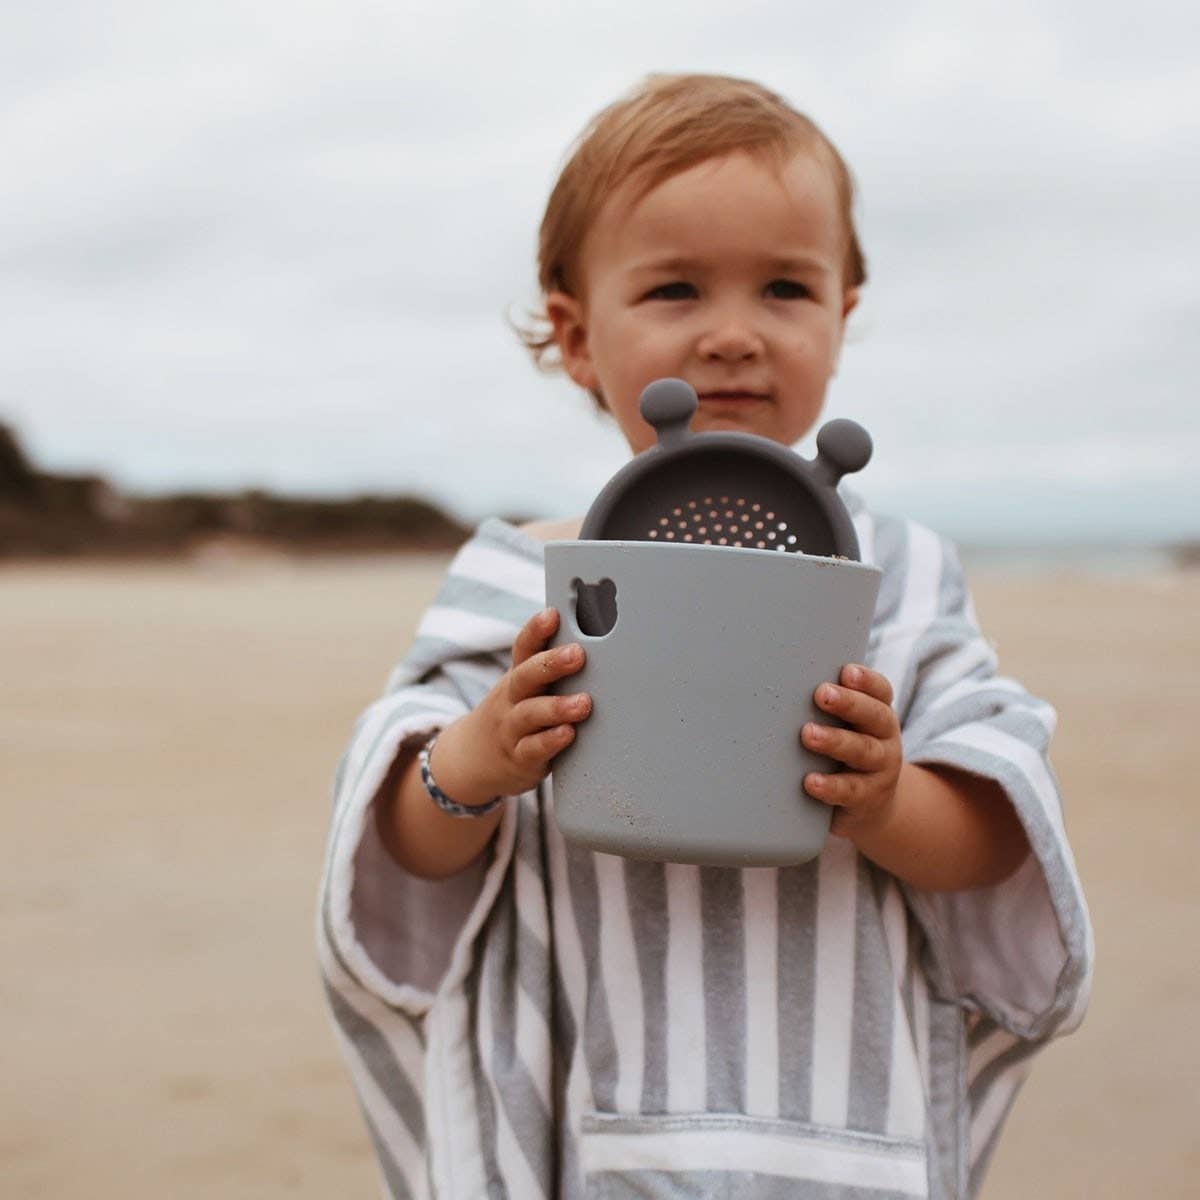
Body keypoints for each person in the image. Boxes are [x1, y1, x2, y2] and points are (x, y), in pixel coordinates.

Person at [317, 73, 1092, 1199]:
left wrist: (885, 798)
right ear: (579, 337)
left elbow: (993, 831)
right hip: (582, 1105)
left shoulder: (907, 576)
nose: (733, 336)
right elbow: (398, 848)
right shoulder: (515, 575)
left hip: (839, 1120)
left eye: (785, 287)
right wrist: (477, 762)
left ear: (842, 314)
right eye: (676, 290)